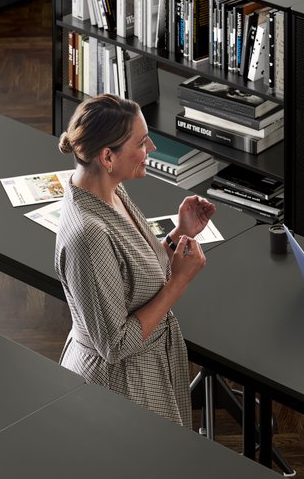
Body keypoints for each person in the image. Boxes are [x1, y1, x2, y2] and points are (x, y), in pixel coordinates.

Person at [55, 94, 216, 426]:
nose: (152, 150)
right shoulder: (89, 235)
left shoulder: (110, 191)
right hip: (120, 388)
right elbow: (115, 345)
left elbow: (130, 270)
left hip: (144, 370)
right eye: (142, 143)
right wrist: (179, 281)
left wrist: (177, 235)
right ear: (107, 156)